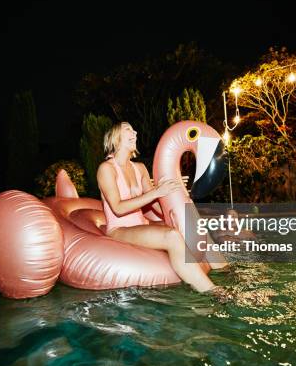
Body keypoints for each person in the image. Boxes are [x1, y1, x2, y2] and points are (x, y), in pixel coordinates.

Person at [97, 122, 234, 301]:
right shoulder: (106, 169)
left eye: (134, 129)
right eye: (129, 129)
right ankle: (213, 291)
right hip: (119, 230)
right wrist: (157, 191)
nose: (135, 132)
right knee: (172, 236)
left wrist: (177, 195)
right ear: (116, 137)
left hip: (141, 225)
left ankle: (226, 271)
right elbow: (118, 208)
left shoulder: (140, 168)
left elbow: (154, 204)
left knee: (195, 227)